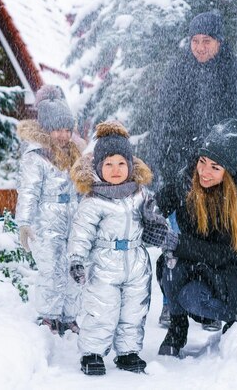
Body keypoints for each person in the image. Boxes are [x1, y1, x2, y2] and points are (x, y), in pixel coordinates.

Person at [145, 10, 237, 329]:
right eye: (195, 41)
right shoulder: (177, 71)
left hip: (221, 172)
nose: (199, 47)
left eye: (206, 41)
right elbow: (163, 119)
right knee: (175, 237)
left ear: (219, 42)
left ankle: (212, 300)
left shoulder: (236, 72)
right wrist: (162, 161)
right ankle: (173, 304)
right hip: (183, 168)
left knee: (216, 238)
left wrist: (231, 163)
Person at [68, 121, 177, 375]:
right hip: (105, 262)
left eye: (121, 164)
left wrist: (162, 234)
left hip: (137, 261)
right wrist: (76, 259)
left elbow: (154, 219)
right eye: (108, 164)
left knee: (134, 310)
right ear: (98, 167)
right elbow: (81, 233)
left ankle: (128, 352)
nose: (116, 170)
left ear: (130, 165)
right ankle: (92, 353)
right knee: (101, 310)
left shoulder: (140, 194)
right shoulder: (94, 201)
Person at [155, 119, 237, 357]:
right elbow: (158, 204)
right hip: (195, 261)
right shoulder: (187, 180)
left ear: (229, 172)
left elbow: (222, 252)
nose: (204, 172)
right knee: (169, 266)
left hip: (231, 268)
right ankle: (177, 329)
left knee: (192, 298)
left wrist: (177, 242)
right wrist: (148, 217)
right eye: (202, 161)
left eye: (215, 167)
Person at [15, 85, 84, 336]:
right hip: (46, 222)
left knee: (73, 268)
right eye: (57, 129)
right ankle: (48, 315)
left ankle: (69, 316)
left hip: (72, 219)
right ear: (46, 129)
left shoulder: (74, 154)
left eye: (67, 129)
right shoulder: (37, 157)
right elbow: (29, 192)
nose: (63, 135)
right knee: (51, 269)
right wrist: (24, 223)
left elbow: (83, 187)